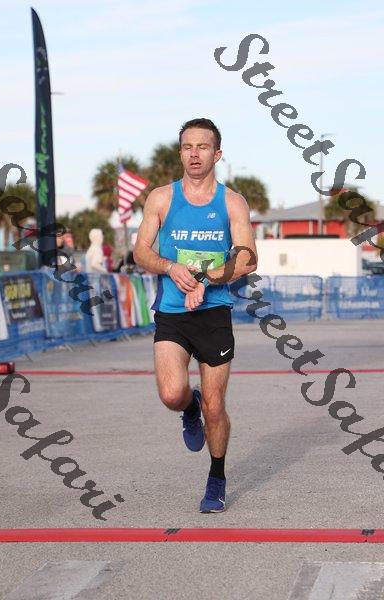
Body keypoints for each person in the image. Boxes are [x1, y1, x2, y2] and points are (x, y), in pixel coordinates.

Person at [133, 118, 257, 513]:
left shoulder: (232, 202)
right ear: (180, 153)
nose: (195, 154)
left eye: (203, 147)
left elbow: (248, 258)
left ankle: (216, 477)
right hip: (172, 312)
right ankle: (190, 407)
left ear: (217, 154)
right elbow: (141, 252)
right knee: (172, 394)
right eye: (188, 147)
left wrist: (205, 278)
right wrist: (170, 267)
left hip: (213, 312)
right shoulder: (161, 198)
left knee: (215, 407)